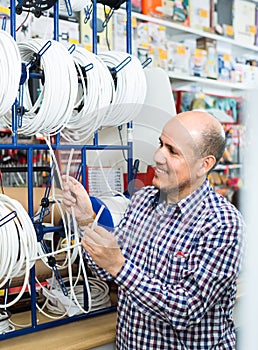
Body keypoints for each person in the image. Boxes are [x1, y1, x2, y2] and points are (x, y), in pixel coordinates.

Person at [62, 110, 245, 349]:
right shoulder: (143, 200)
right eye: (161, 144)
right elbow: (107, 271)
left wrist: (120, 266)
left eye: (173, 151)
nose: (157, 156)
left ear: (204, 165)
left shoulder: (222, 224)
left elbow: (186, 310)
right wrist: (87, 220)